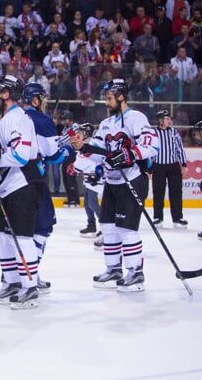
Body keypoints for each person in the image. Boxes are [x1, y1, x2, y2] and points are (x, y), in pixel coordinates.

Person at [71, 79, 160, 292]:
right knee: (109, 228)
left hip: (132, 180)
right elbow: (100, 152)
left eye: (109, 98)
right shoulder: (106, 124)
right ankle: (113, 269)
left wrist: (130, 154)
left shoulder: (136, 118)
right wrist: (83, 147)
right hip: (112, 182)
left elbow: (152, 145)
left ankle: (135, 273)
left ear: (121, 96)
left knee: (126, 229)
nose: (106, 102)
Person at [0, 75, 42, 310]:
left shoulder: (16, 119)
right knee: (1, 234)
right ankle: (13, 282)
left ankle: (30, 287)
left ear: (5, 94)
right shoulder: (7, 119)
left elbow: (21, 155)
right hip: (10, 188)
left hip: (22, 186)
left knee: (22, 237)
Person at [21, 82, 72, 294]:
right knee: (42, 227)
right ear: (36, 100)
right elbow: (54, 156)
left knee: (19, 231)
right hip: (35, 182)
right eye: (42, 98)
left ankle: (11, 277)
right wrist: (68, 148)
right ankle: (30, 274)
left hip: (13, 183)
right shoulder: (42, 120)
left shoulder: (14, 117)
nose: (44, 103)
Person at [152, 109, 188, 229]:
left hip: (173, 166)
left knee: (176, 192)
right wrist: (149, 167)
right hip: (158, 166)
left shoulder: (174, 132)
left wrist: (183, 164)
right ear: (161, 120)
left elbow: (179, 149)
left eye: (169, 119)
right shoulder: (153, 133)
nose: (169, 121)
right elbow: (150, 150)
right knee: (158, 192)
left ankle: (177, 218)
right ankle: (157, 217)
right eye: (167, 119)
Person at [72, 123, 105, 248]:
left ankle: (105, 226)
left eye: (82, 131)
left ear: (87, 133)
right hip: (89, 177)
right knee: (87, 203)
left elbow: (95, 160)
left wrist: (78, 169)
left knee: (92, 202)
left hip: (94, 177)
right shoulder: (85, 144)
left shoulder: (91, 144)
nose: (79, 133)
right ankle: (91, 225)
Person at [60, 110, 80, 207]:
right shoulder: (65, 128)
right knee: (65, 175)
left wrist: (57, 140)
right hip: (67, 154)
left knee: (70, 175)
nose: (63, 122)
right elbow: (63, 139)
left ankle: (75, 199)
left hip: (74, 154)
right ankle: (70, 198)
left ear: (70, 119)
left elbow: (67, 139)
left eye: (65, 119)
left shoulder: (75, 126)